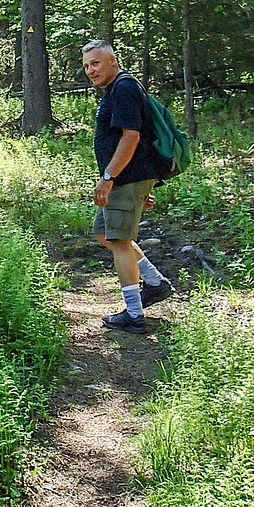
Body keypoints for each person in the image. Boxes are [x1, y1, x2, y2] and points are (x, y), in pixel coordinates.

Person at [80, 39, 175, 333]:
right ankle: (155, 283)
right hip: (129, 178)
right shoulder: (118, 89)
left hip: (123, 177)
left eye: (95, 63)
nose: (90, 70)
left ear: (112, 61)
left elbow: (131, 137)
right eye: (86, 66)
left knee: (120, 241)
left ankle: (134, 316)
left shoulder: (123, 88)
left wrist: (109, 178)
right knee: (102, 233)